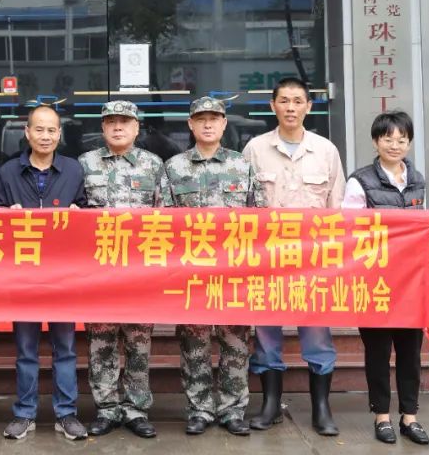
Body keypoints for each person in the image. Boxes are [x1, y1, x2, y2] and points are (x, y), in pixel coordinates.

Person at [242, 77, 345, 436]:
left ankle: (321, 409)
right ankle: (270, 405)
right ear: (273, 106)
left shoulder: (326, 151)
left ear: (308, 106)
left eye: (297, 101)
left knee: (317, 335)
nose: (290, 107)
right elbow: (244, 207)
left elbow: (337, 209)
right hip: (266, 258)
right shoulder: (255, 149)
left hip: (312, 262)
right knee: (266, 334)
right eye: (284, 100)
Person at [164, 96, 265, 437]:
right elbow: (162, 222)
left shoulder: (242, 165)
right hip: (191, 273)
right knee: (194, 344)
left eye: (214, 119)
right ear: (190, 124)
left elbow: (260, 220)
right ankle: (199, 409)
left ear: (224, 124)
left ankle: (233, 410)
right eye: (201, 119)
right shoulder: (174, 167)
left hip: (234, 273)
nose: (207, 124)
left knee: (235, 342)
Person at [0, 105, 89, 441]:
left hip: (63, 275)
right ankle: (24, 413)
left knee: (66, 349)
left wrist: (79, 214)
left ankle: (66, 414)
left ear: (59, 134)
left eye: (51, 130)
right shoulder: (8, 172)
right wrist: (6, 215)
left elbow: (87, 217)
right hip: (24, 276)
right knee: (26, 350)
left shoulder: (73, 170)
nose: (45, 136)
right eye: (39, 129)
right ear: (27, 132)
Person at [344, 111, 429, 446]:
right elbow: (350, 229)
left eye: (402, 139)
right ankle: (381, 416)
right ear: (375, 141)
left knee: (411, 352)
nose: (395, 145)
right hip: (374, 280)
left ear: (409, 143)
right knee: (378, 351)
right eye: (388, 139)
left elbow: (422, 220)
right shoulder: (360, 181)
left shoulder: (417, 179)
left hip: (410, 281)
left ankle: (410, 416)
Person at [78, 100, 165, 439]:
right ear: (102, 128)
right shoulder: (85, 164)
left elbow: (166, 218)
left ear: (137, 127)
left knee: (138, 343)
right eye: (111, 122)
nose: (118, 127)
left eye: (125, 122)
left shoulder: (153, 165)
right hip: (99, 273)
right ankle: (106, 408)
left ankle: (136, 409)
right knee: (101, 343)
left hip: (139, 275)